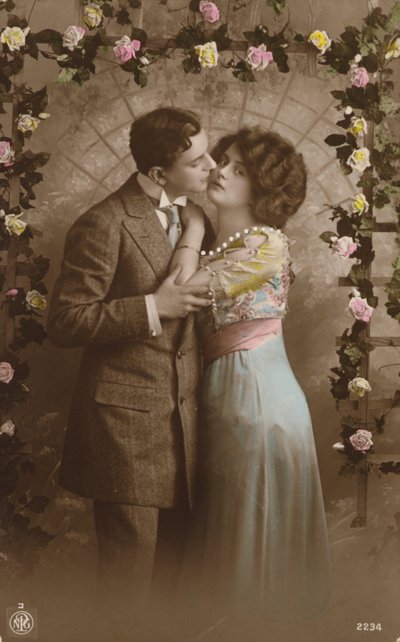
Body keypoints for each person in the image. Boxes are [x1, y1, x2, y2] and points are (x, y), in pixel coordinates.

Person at [46, 107, 216, 633]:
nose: (211, 165)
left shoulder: (195, 215)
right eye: (197, 160)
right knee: (128, 581)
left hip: (185, 421)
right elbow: (65, 321)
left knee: (174, 577)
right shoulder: (103, 222)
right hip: (123, 429)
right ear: (159, 174)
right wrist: (152, 308)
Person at [171, 126, 333, 623]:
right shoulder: (232, 242)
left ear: (263, 191)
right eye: (224, 160)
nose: (221, 170)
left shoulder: (265, 244)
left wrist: (194, 228)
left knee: (247, 543)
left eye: (240, 170)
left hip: (257, 403)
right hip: (232, 394)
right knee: (228, 535)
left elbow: (177, 293)